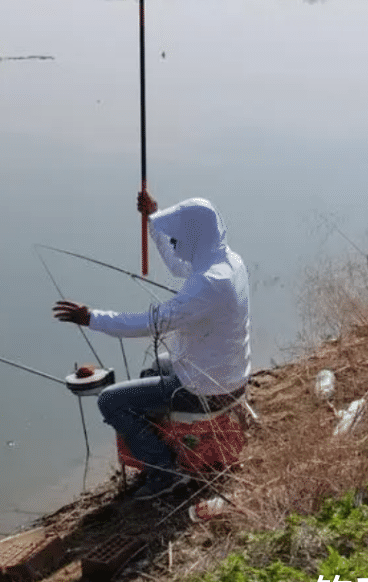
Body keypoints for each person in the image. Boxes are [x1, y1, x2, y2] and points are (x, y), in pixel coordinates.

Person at [52, 189, 251, 500]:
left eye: (178, 237)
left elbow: (147, 323)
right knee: (156, 365)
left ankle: (164, 470)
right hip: (231, 376)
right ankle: (163, 443)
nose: (174, 243)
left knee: (109, 401)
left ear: (195, 236)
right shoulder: (228, 262)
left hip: (206, 390)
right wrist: (154, 220)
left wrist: (91, 318)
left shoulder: (206, 286)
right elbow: (179, 267)